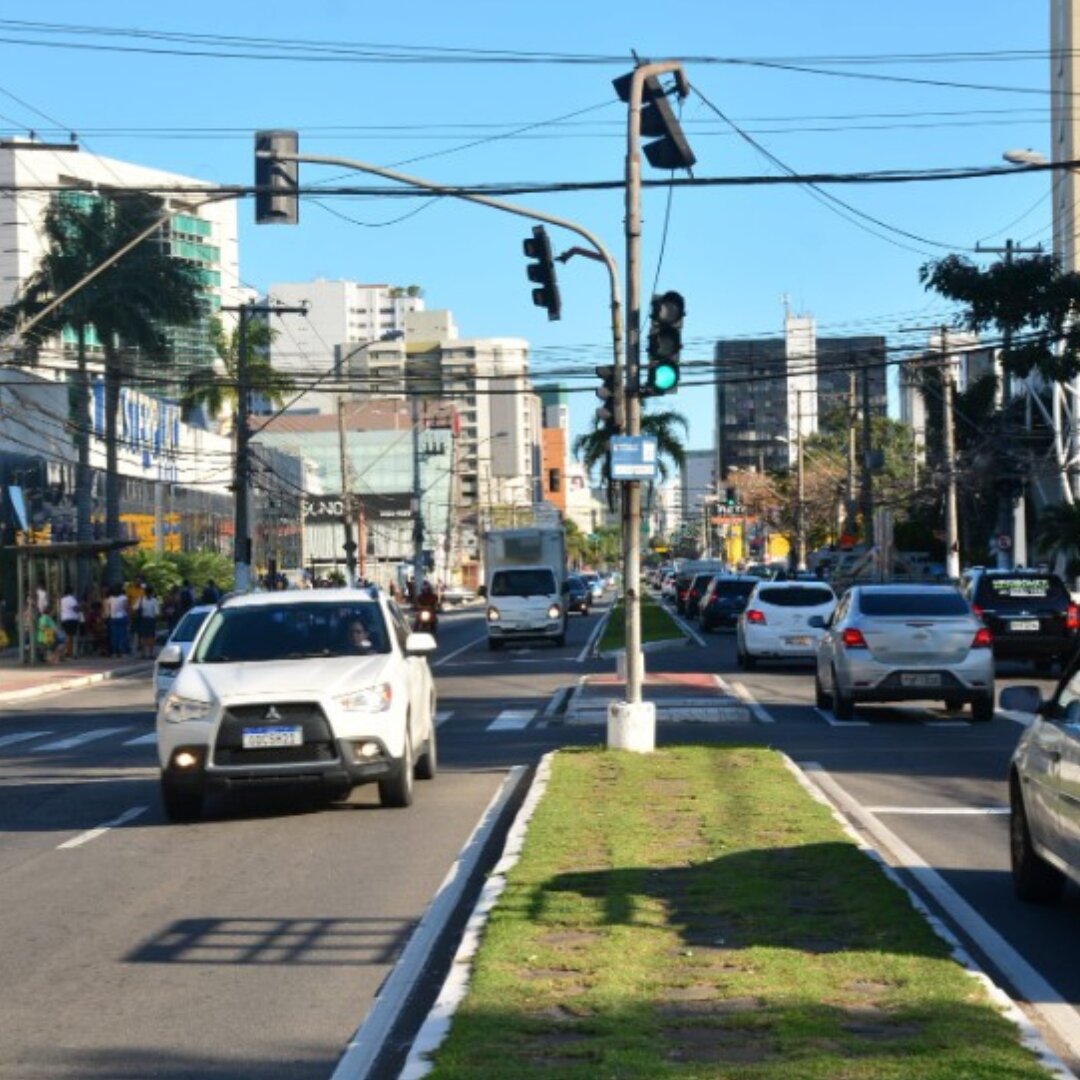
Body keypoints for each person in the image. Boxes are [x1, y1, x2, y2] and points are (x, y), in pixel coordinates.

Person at [137, 585, 160, 659]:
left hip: (143, 619)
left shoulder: (141, 599)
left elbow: (135, 608)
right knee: (151, 637)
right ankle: (150, 653)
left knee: (143, 637)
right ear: (152, 593)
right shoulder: (154, 601)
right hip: (151, 620)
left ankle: (143, 653)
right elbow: (157, 613)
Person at [106, 585, 129, 658]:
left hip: (113, 618)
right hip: (122, 617)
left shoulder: (110, 598)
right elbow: (126, 607)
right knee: (122, 635)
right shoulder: (123, 598)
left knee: (114, 636)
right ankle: (122, 652)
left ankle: (114, 652)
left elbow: (109, 609)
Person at [59, 587, 80, 660]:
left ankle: (66, 652)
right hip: (72, 619)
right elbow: (76, 609)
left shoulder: (62, 600)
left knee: (66, 636)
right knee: (71, 637)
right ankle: (69, 652)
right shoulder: (72, 599)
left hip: (64, 619)